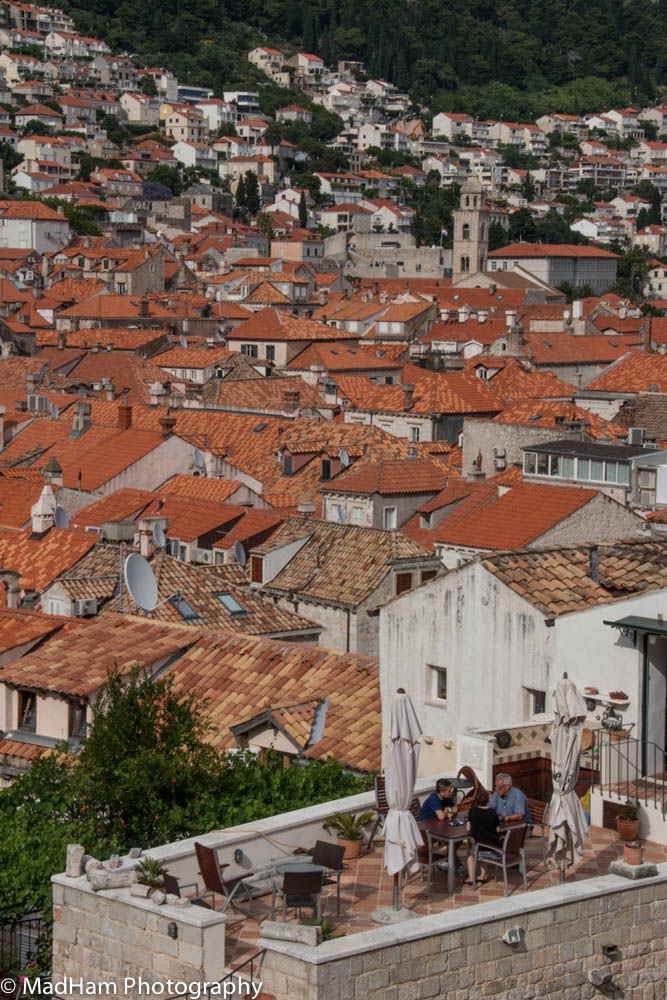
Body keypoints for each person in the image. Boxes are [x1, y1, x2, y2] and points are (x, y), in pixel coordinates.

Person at [465, 788, 500, 885]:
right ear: (487, 800)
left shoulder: (473, 811)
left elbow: (468, 828)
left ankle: (471, 879)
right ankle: (483, 875)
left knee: (470, 853)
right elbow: (497, 829)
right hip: (495, 849)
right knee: (483, 846)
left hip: (481, 848)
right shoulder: (493, 812)